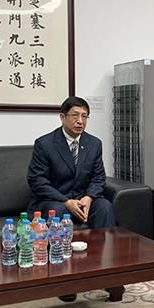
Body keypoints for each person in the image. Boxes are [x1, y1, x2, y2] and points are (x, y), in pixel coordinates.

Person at [27, 96, 115, 228]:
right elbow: (37, 181)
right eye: (75, 115)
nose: (80, 121)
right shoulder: (44, 144)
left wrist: (89, 197)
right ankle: (59, 243)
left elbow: (98, 177)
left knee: (104, 206)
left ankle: (105, 242)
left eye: (84, 116)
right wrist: (66, 201)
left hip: (82, 200)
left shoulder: (94, 144)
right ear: (62, 117)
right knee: (56, 211)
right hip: (54, 201)